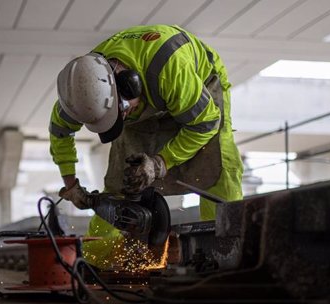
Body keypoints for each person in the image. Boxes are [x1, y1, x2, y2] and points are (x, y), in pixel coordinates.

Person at [48, 24, 243, 268]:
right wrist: (71, 185)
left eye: (122, 113)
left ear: (130, 85)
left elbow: (205, 124)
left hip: (199, 88)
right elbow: (59, 133)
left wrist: (161, 163)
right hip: (148, 96)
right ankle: (95, 263)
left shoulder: (171, 71)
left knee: (218, 172)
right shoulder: (82, 93)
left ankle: (226, 257)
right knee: (122, 182)